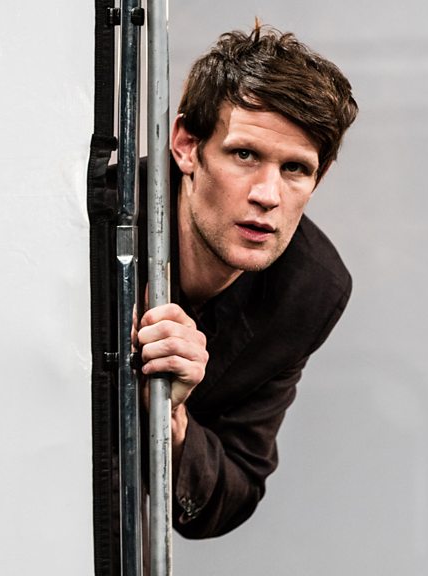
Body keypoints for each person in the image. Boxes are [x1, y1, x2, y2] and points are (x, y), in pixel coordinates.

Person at [134, 24, 358, 538]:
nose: (267, 195)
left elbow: (234, 490)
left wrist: (171, 420)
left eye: (295, 169)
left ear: (318, 178)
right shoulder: (97, 225)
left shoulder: (310, 289)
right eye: (245, 155)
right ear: (186, 146)